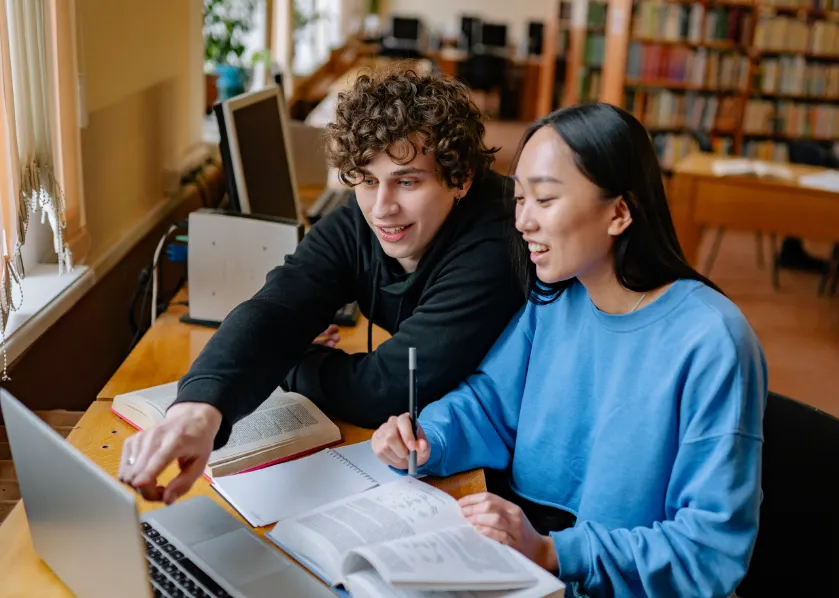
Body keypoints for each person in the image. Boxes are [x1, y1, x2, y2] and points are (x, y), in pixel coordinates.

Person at [372, 103, 768, 597]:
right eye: (518, 199)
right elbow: (491, 402)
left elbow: (709, 551)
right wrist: (431, 437)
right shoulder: (557, 296)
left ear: (619, 211)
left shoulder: (712, 341)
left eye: (544, 199)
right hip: (540, 570)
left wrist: (554, 552)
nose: (522, 222)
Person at [117, 67, 524, 505]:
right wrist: (198, 409)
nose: (382, 208)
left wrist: (295, 358)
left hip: (505, 481)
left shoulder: (498, 238)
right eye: (367, 180)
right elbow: (280, 304)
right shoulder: (363, 216)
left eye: (406, 181)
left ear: (460, 177)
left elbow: (386, 389)